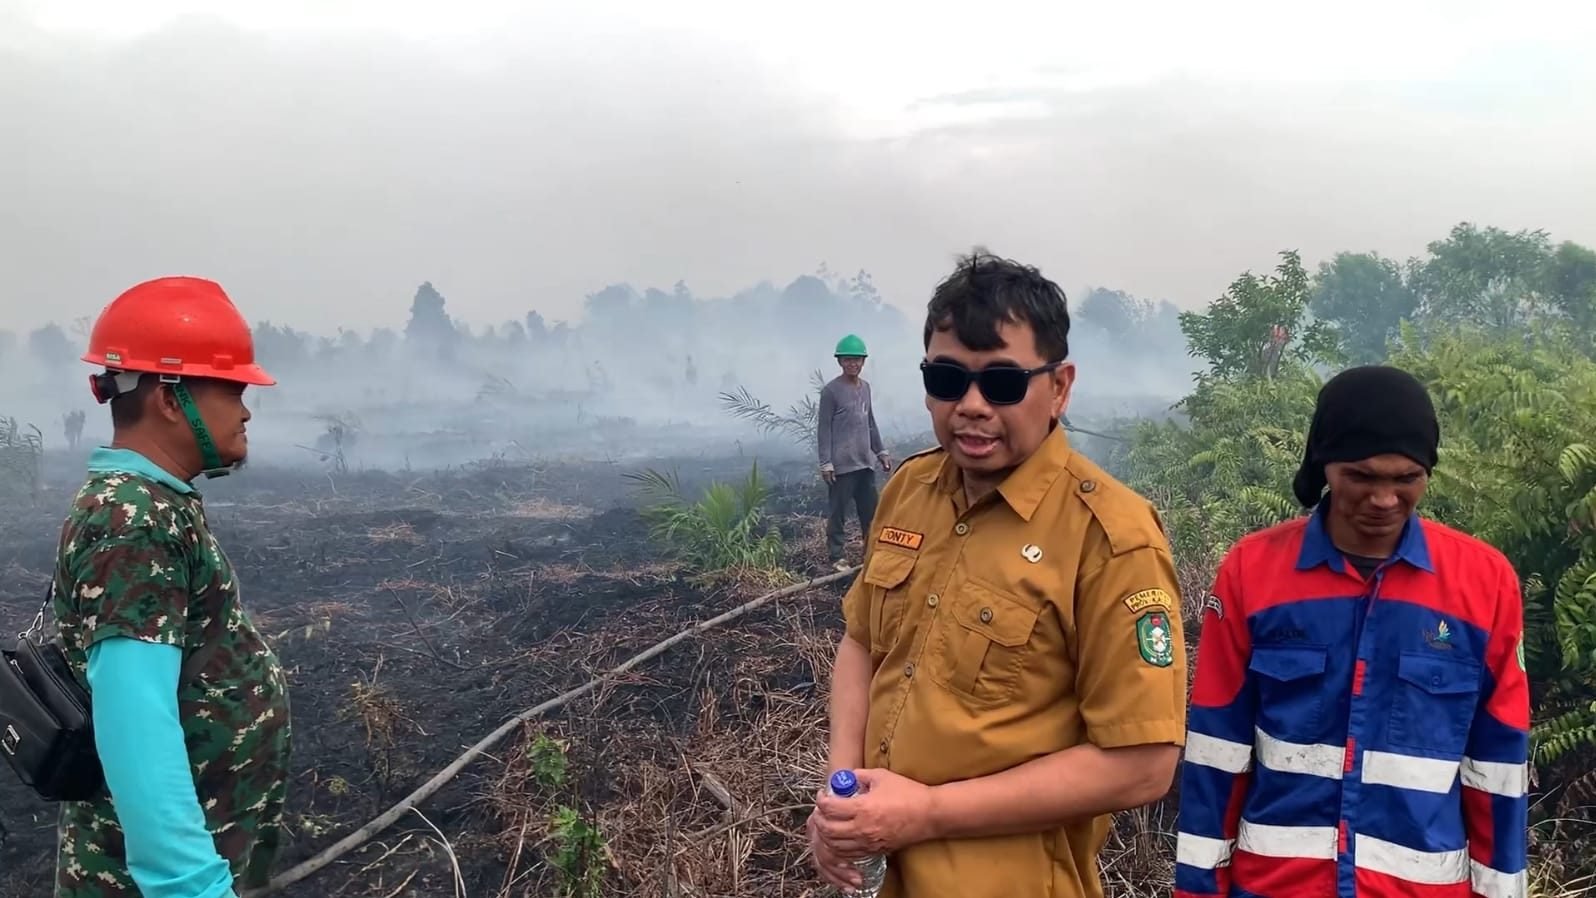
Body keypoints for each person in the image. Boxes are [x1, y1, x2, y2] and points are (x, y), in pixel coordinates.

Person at [807, 252, 1186, 898]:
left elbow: (1143, 763)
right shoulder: (910, 490)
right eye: (948, 379)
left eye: (1003, 384)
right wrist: (843, 800)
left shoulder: (1110, 538)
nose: (972, 406)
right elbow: (862, 640)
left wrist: (927, 812)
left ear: (1060, 387)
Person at [1173, 366, 1529, 898]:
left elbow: (1498, 766)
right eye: (1361, 477)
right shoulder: (1252, 572)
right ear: (1325, 467)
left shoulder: (1485, 583)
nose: (1384, 499)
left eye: (1406, 478)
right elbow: (1216, 752)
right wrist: (1198, 888)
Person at [50, 276, 292, 898]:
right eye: (232, 388)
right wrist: (190, 885)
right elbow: (136, 717)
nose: (244, 409)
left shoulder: (154, 504)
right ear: (167, 396)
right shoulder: (131, 520)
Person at [817, 334, 891, 571]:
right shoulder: (831, 391)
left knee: (870, 512)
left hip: (864, 463)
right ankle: (836, 556)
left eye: (857, 360)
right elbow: (824, 429)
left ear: (863, 362)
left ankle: (871, 552)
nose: (853, 364)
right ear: (840, 362)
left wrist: (881, 451)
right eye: (848, 360)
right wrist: (826, 462)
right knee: (838, 512)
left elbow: (870, 422)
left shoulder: (865, 388)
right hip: (842, 465)